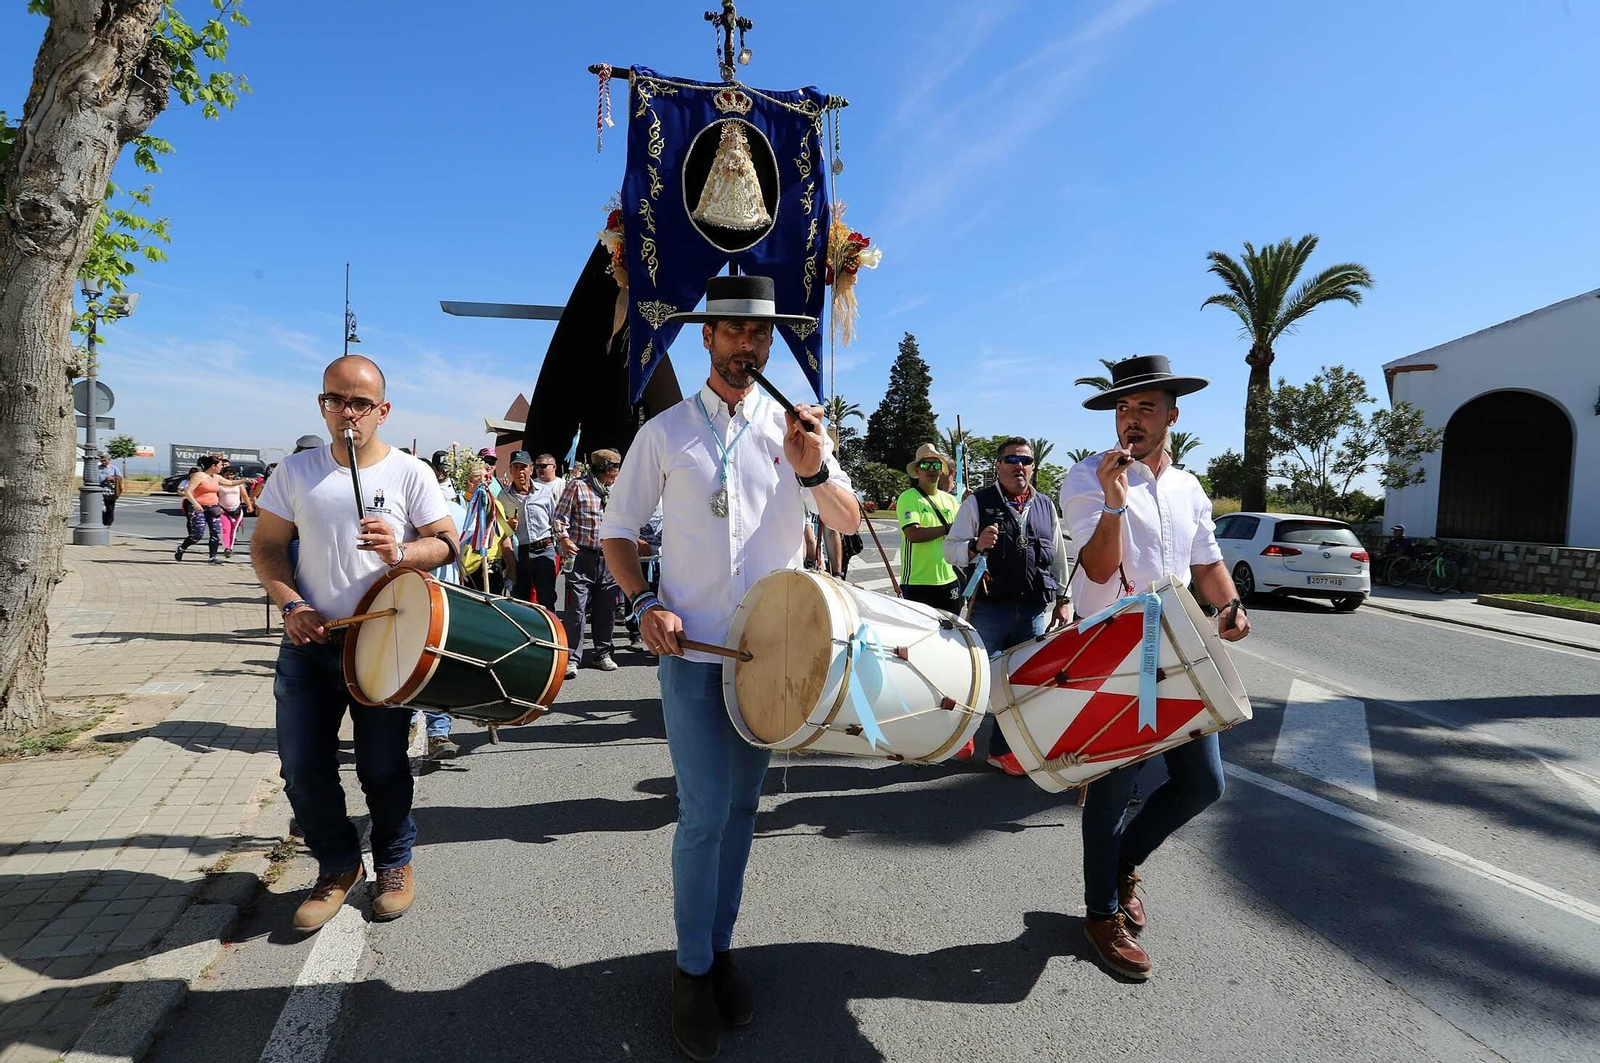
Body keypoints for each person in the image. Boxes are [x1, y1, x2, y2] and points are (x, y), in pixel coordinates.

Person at [600, 274, 859, 1061]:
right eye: (734, 329)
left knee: (744, 810)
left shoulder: (796, 428)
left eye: (760, 332)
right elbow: (616, 530)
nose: (748, 343)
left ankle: (719, 948)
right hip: (691, 655)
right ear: (706, 335)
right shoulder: (666, 431)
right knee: (705, 812)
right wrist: (644, 601)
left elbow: (848, 519)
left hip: (775, 659)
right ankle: (689, 970)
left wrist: (812, 467)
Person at [252, 355, 459, 931]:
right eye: (335, 400)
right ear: (322, 404)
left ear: (382, 410)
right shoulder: (295, 471)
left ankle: (393, 860)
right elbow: (267, 547)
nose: (347, 413)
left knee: (382, 765)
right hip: (311, 641)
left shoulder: (410, 473)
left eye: (360, 403)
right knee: (302, 767)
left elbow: (448, 543)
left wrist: (402, 551)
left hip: (387, 639)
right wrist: (290, 604)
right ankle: (338, 865)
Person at [1060, 354, 1250, 982]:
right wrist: (1114, 504)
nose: (1131, 419)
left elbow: (1207, 562)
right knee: (1113, 790)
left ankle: (1122, 864)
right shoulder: (1087, 477)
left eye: (1145, 407)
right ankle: (1100, 915)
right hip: (1114, 651)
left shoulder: (1189, 488)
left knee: (1204, 783)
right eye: (1123, 408)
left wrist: (1230, 605)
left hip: (1179, 648)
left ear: (1173, 415)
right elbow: (1095, 568)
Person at [943, 437, 1071, 774]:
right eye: (1011, 460)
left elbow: (1058, 557)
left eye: (1025, 461)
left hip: (1032, 611)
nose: (1019, 466)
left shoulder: (1046, 506)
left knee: (1020, 684)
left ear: (1033, 467)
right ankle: (961, 736)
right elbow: (950, 550)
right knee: (972, 677)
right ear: (998, 465)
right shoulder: (978, 503)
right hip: (989, 607)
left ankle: (1003, 751)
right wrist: (975, 545)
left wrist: (1063, 599)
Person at [554, 449, 622, 677]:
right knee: (576, 610)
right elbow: (559, 517)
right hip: (581, 557)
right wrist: (564, 539)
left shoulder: (617, 490)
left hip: (609, 557)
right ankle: (572, 658)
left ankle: (602, 653)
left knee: (606, 609)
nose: (617, 474)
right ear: (604, 469)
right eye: (615, 469)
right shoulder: (577, 486)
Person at [895, 443, 961, 613]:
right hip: (918, 582)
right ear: (917, 470)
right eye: (925, 465)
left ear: (942, 470)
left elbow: (961, 535)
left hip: (949, 579)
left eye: (936, 465)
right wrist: (948, 528)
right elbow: (914, 534)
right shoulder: (908, 497)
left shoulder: (951, 500)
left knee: (952, 629)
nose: (931, 469)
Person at [503, 451, 563, 606]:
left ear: (531, 469)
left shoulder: (544, 492)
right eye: (515, 467)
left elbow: (554, 520)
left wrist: (562, 546)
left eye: (523, 467)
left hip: (544, 550)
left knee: (546, 598)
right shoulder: (503, 497)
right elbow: (501, 530)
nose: (519, 472)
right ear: (510, 470)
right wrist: (508, 525)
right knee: (521, 600)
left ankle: (548, 622)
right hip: (520, 554)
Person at [176, 456, 249, 564]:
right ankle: (181, 548)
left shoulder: (217, 477)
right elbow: (188, 491)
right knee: (197, 534)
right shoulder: (199, 476)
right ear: (213, 466)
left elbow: (230, 483)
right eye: (220, 465)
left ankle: (212, 558)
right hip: (199, 508)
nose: (221, 467)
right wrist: (195, 503)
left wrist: (244, 480)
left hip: (213, 507)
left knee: (215, 533)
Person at [459, 463, 517, 595]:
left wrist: (512, 568)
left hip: (491, 567)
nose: (490, 480)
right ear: (470, 481)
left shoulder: (496, 504)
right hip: (466, 570)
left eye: (490, 476)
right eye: (485, 477)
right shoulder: (460, 505)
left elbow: (504, 538)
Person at [215, 461, 255, 560]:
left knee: (233, 530)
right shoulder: (218, 484)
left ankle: (230, 548)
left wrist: (249, 506)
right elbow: (215, 497)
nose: (229, 476)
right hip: (223, 510)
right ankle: (226, 548)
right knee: (225, 529)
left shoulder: (239, 484)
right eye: (227, 474)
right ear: (223, 475)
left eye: (231, 474)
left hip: (237, 510)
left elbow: (244, 496)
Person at [98, 454, 123, 526]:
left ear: (109, 460)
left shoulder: (114, 468)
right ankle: (103, 520)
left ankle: (108, 522)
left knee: (110, 508)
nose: (103, 462)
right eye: (102, 460)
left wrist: (112, 478)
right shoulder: (98, 468)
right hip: (99, 490)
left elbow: (120, 478)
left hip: (110, 491)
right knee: (97, 507)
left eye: (105, 460)